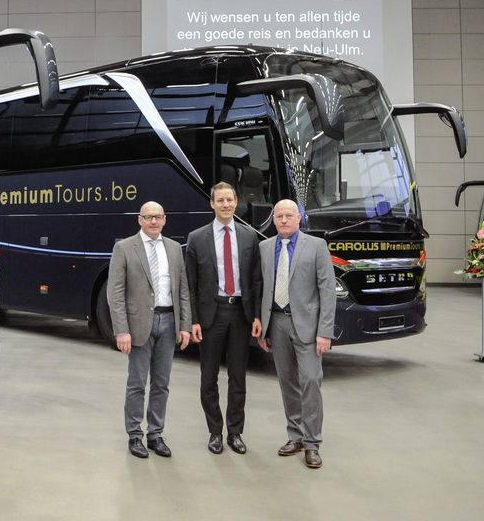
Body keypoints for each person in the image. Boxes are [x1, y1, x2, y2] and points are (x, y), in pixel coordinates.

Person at [255, 199, 336, 469]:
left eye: (290, 216)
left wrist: (325, 331)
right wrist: (263, 326)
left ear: (299, 218)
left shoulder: (316, 246)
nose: (284, 221)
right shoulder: (265, 248)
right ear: (274, 219)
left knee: (311, 381)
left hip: (308, 327)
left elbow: (327, 290)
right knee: (287, 382)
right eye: (279, 216)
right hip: (276, 323)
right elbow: (263, 289)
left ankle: (313, 444)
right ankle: (296, 436)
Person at [108, 201, 192, 459]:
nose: (154, 221)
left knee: (162, 384)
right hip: (139, 325)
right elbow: (116, 293)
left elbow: (183, 290)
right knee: (137, 383)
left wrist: (185, 326)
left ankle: (155, 434)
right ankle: (135, 435)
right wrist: (121, 330)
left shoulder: (175, 249)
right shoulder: (124, 248)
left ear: (164, 219)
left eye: (158, 217)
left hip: (168, 323)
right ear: (139, 220)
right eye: (148, 217)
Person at [185, 182, 263, 455]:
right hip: (211, 314)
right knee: (208, 378)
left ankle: (235, 432)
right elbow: (190, 285)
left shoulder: (249, 236)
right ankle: (215, 432)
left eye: (230, 199)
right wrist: (193, 320)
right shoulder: (197, 238)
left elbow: (255, 281)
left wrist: (256, 316)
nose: (226, 204)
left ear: (236, 201)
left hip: (241, 314)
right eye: (220, 200)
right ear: (212, 204)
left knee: (238, 378)